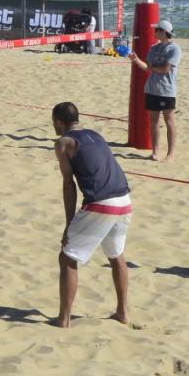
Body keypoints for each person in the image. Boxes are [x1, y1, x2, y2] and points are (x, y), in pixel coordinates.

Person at [50, 101, 132, 327]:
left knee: (67, 256)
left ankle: (64, 319)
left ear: (59, 122)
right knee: (117, 256)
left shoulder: (63, 143)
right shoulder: (96, 135)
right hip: (124, 200)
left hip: (101, 202)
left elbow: (69, 185)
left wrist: (69, 224)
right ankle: (123, 312)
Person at [126, 18, 181, 161]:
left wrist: (152, 68)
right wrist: (135, 59)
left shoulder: (174, 49)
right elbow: (147, 67)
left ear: (164, 32)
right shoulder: (153, 48)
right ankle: (156, 151)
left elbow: (165, 69)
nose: (154, 32)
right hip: (152, 89)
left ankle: (171, 154)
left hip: (167, 90)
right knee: (154, 121)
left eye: (157, 30)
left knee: (169, 121)